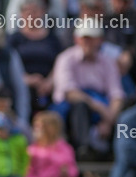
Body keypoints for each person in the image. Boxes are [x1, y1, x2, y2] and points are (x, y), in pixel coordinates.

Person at [50, 25, 126, 158]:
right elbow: (70, 93)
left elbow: (116, 94)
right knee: (80, 106)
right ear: (77, 39)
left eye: (91, 39)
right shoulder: (65, 58)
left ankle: (114, 153)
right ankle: (83, 149)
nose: (87, 43)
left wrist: (109, 119)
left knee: (124, 112)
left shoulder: (107, 62)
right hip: (72, 107)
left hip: (100, 106)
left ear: (100, 40)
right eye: (84, 38)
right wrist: (100, 108)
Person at [8, 0, 63, 114]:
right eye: (27, 11)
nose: (31, 15)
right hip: (23, 85)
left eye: (35, 11)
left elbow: (60, 62)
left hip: (49, 87)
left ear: (43, 12)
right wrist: (27, 79)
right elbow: (9, 64)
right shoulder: (14, 39)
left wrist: (50, 81)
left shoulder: (52, 39)